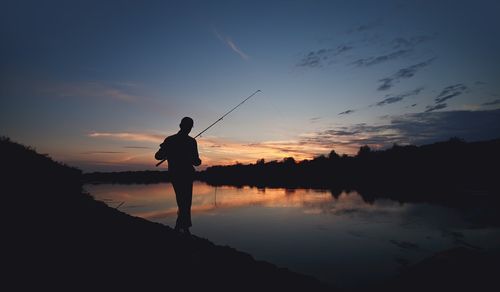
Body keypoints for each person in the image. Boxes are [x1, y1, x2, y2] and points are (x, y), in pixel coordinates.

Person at [162, 117, 201, 234]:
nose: (189, 129)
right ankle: (183, 227)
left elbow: (158, 156)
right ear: (189, 127)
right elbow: (196, 162)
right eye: (190, 127)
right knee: (185, 201)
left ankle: (182, 227)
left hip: (175, 174)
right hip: (186, 174)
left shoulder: (169, 140)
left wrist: (166, 150)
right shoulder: (191, 142)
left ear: (180, 125)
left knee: (182, 200)